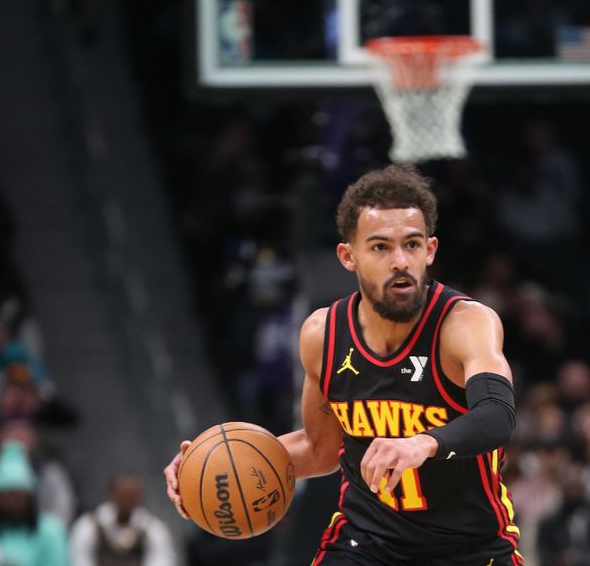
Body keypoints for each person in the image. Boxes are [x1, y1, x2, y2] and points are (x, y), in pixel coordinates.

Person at [164, 164, 523, 565]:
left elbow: (497, 416)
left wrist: (423, 443)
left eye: (412, 245)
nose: (401, 261)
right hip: (367, 545)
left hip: (469, 549)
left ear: (431, 250)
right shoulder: (323, 335)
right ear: (348, 256)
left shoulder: (464, 324)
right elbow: (320, 449)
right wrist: (208, 468)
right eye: (381, 247)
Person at [69, 473, 177, 566]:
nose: (128, 501)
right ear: (111, 494)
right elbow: (79, 561)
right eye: (124, 495)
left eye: (132, 495)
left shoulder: (153, 530)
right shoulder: (88, 527)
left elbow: (162, 561)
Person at [0, 439, 68, 566]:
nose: (13, 504)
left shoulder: (50, 532)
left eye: (18, 498)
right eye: (7, 497)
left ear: (30, 498)